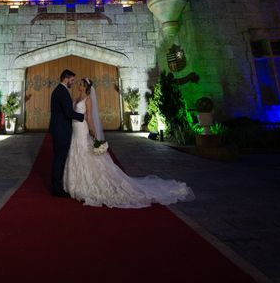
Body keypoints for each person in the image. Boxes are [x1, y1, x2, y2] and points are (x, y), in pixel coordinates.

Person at [64, 78, 195, 208]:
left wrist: (96, 135)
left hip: (82, 130)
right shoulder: (76, 98)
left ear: (86, 87)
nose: (78, 85)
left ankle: (88, 186)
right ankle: (76, 184)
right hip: (75, 131)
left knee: (86, 154)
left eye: (81, 84)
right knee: (76, 152)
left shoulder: (88, 99)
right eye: (79, 84)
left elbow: (89, 118)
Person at [49, 69, 85, 197]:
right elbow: (68, 113)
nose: (73, 82)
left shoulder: (59, 90)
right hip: (61, 130)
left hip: (59, 128)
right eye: (72, 80)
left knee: (59, 157)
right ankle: (56, 189)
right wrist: (83, 117)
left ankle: (56, 185)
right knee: (59, 158)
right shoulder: (62, 92)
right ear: (66, 78)